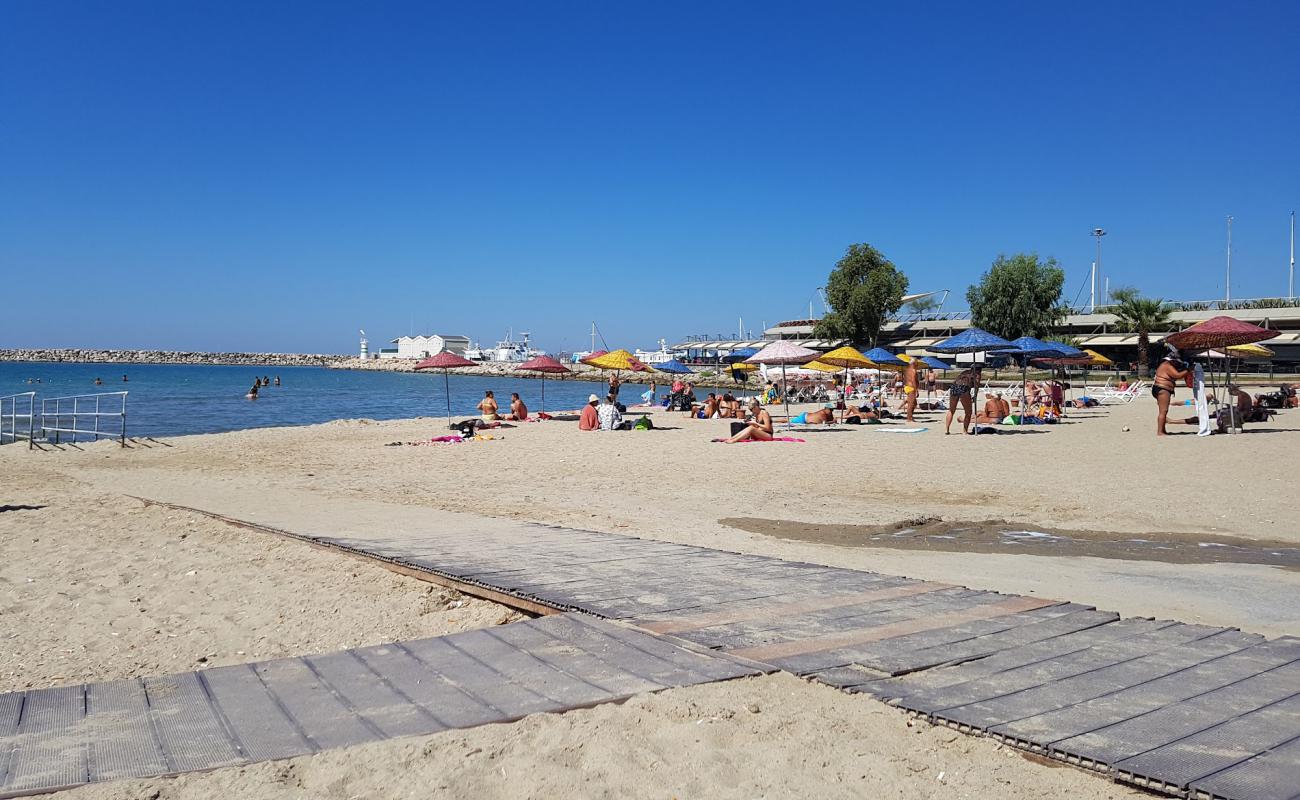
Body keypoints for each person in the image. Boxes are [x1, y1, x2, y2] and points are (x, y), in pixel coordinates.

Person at [1152, 348, 1192, 436]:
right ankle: (1160, 432)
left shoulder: (1165, 365)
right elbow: (1177, 375)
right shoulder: (1167, 366)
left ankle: (1163, 430)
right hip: (1163, 388)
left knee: (1163, 411)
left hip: (1161, 388)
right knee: (1163, 411)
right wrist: (1187, 371)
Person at [944, 365, 983, 435]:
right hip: (964, 388)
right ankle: (965, 431)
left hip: (954, 387)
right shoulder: (977, 374)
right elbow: (976, 386)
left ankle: (947, 430)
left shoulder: (965, 372)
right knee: (968, 412)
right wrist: (975, 396)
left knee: (951, 410)